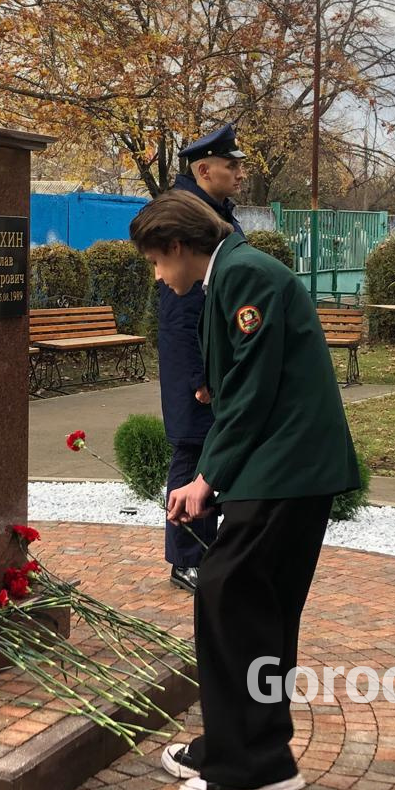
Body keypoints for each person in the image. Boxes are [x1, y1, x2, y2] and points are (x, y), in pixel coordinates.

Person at [130, 191, 361, 790]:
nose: (158, 274)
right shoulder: (229, 274)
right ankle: (237, 744)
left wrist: (207, 478)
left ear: (178, 246)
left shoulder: (245, 274)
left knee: (232, 597)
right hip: (281, 468)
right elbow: (242, 381)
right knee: (253, 608)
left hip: (286, 468)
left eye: (156, 261)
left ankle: (254, 765)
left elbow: (256, 389)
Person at [155, 122, 246, 593]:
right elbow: (179, 307)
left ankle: (207, 552)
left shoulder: (215, 211)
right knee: (192, 451)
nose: (240, 173)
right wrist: (199, 374)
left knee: (212, 451)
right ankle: (186, 558)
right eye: (232, 165)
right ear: (204, 168)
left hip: (216, 362)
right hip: (196, 366)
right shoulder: (185, 215)